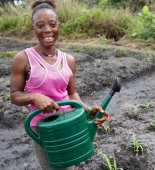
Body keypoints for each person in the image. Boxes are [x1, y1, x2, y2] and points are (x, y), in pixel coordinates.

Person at [9, 0, 110, 169]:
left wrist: (87, 109)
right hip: (43, 129)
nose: (47, 30)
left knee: (69, 166)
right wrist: (34, 96)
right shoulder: (23, 59)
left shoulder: (69, 60)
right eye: (40, 25)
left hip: (69, 123)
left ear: (58, 26)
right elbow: (14, 95)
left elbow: (72, 94)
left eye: (52, 24)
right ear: (33, 27)